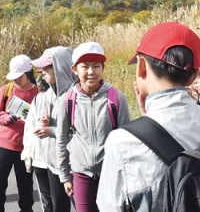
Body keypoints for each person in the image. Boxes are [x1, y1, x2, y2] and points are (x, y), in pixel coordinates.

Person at [96, 22, 200, 211]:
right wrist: (147, 122)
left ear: (141, 67)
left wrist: (146, 128)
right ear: (193, 76)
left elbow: (109, 206)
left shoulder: (122, 143)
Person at [56, 42, 131, 212]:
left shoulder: (116, 98)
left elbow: (126, 140)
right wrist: (64, 176)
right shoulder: (67, 101)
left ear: (103, 68)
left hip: (111, 172)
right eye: (85, 67)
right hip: (81, 172)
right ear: (75, 69)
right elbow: (61, 140)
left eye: (96, 66)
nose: (91, 72)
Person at [21, 46, 76, 212]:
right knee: (56, 207)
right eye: (40, 68)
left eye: (46, 67)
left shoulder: (75, 94)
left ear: (61, 67)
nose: (41, 71)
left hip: (75, 165)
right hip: (52, 163)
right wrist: (48, 122)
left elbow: (80, 131)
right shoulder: (49, 94)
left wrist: (51, 131)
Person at [0, 54, 39, 212]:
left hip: (26, 148)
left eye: (19, 76)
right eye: (13, 77)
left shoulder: (39, 93)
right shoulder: (6, 90)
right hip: (3, 145)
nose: (15, 80)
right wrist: (5, 118)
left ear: (28, 73)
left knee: (25, 187)